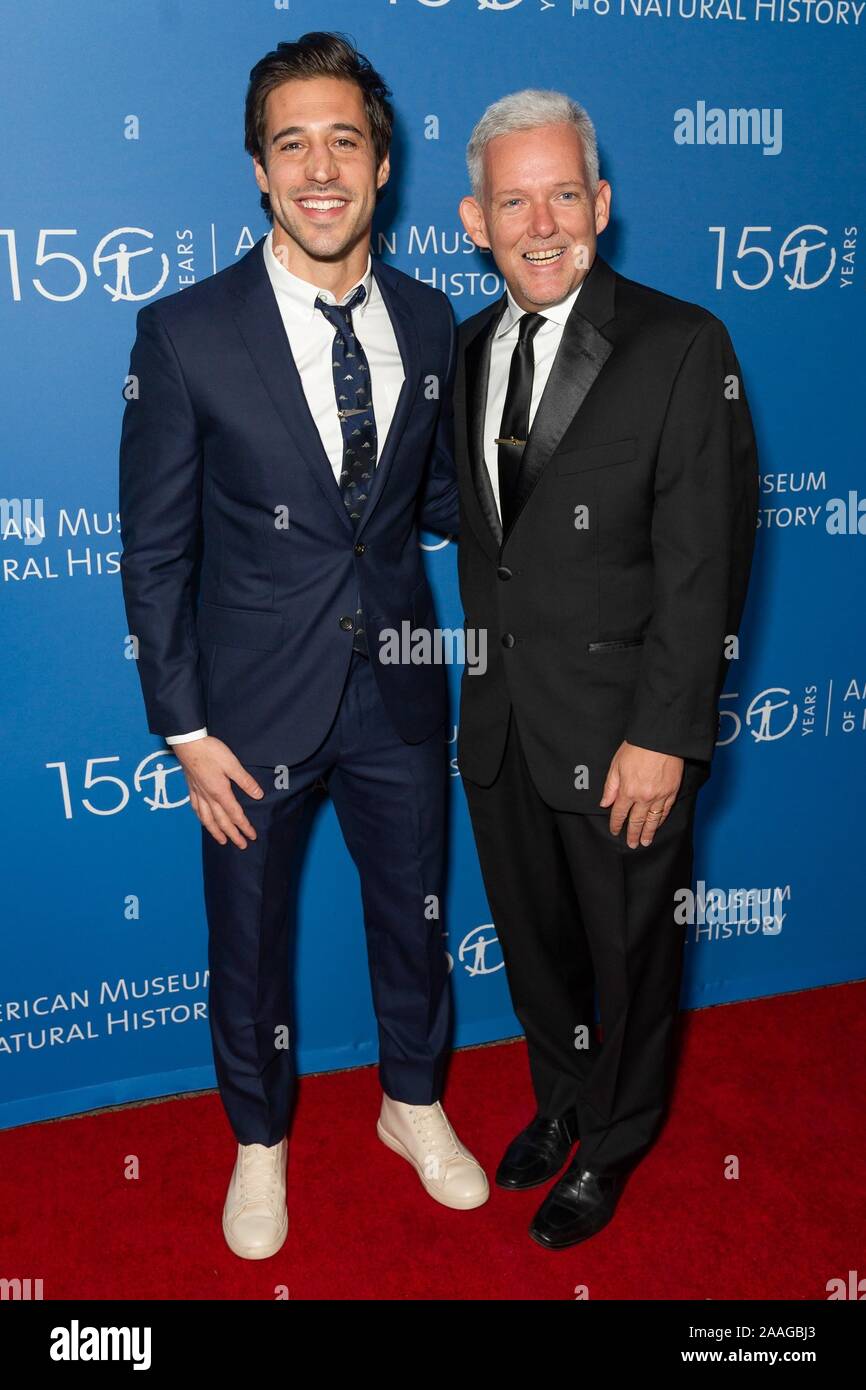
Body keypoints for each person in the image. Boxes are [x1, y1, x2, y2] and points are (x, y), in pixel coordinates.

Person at [118, 32, 488, 1262]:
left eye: (345, 140)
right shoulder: (184, 333)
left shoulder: (433, 321)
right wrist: (184, 728)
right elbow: (156, 554)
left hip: (396, 689)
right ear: (259, 170)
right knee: (250, 938)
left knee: (413, 917)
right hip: (249, 711)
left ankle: (411, 1103)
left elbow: (434, 502)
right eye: (293, 143)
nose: (320, 166)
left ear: (381, 164)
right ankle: (259, 1142)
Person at [453, 88, 759, 1249]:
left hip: (623, 737)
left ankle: (615, 1142)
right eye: (514, 200)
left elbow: (705, 558)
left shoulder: (681, 346)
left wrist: (664, 735)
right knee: (536, 950)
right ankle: (561, 1102)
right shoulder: (469, 349)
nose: (541, 224)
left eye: (563, 195)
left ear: (602, 204)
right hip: (499, 731)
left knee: (629, 959)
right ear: (475, 220)